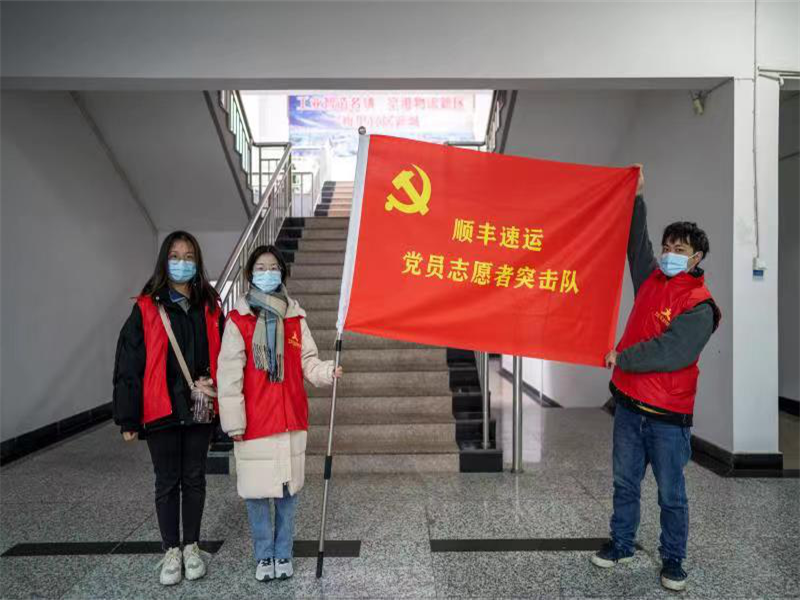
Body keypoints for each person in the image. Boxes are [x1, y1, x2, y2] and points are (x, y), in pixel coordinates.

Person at [591, 167, 721, 592]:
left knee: (671, 494)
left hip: (667, 418)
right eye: (667, 247)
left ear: (696, 258)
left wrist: (623, 357)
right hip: (629, 407)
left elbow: (672, 351)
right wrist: (636, 197)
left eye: (679, 249)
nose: (669, 254)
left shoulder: (700, 305)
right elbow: (636, 243)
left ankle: (674, 560)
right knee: (625, 483)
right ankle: (621, 544)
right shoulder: (651, 278)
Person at [217, 245, 342, 583]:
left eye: (273, 267)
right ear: (250, 274)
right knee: (257, 496)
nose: (267, 273)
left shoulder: (295, 318)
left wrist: (326, 371)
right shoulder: (238, 320)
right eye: (260, 267)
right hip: (255, 421)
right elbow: (228, 375)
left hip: (290, 420)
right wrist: (233, 422)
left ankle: (283, 553)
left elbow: (307, 361)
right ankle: (264, 556)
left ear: (282, 273)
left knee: (288, 495)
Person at [112, 231, 225, 586]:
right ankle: (171, 550)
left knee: (194, 478)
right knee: (166, 481)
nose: (182, 263)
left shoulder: (210, 307)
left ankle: (191, 546)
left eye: (189, 256)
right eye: (175, 256)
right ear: (164, 261)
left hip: (199, 408)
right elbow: (129, 365)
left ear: (198, 263)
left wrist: (217, 391)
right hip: (160, 406)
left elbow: (225, 356)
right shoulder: (146, 308)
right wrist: (128, 418)